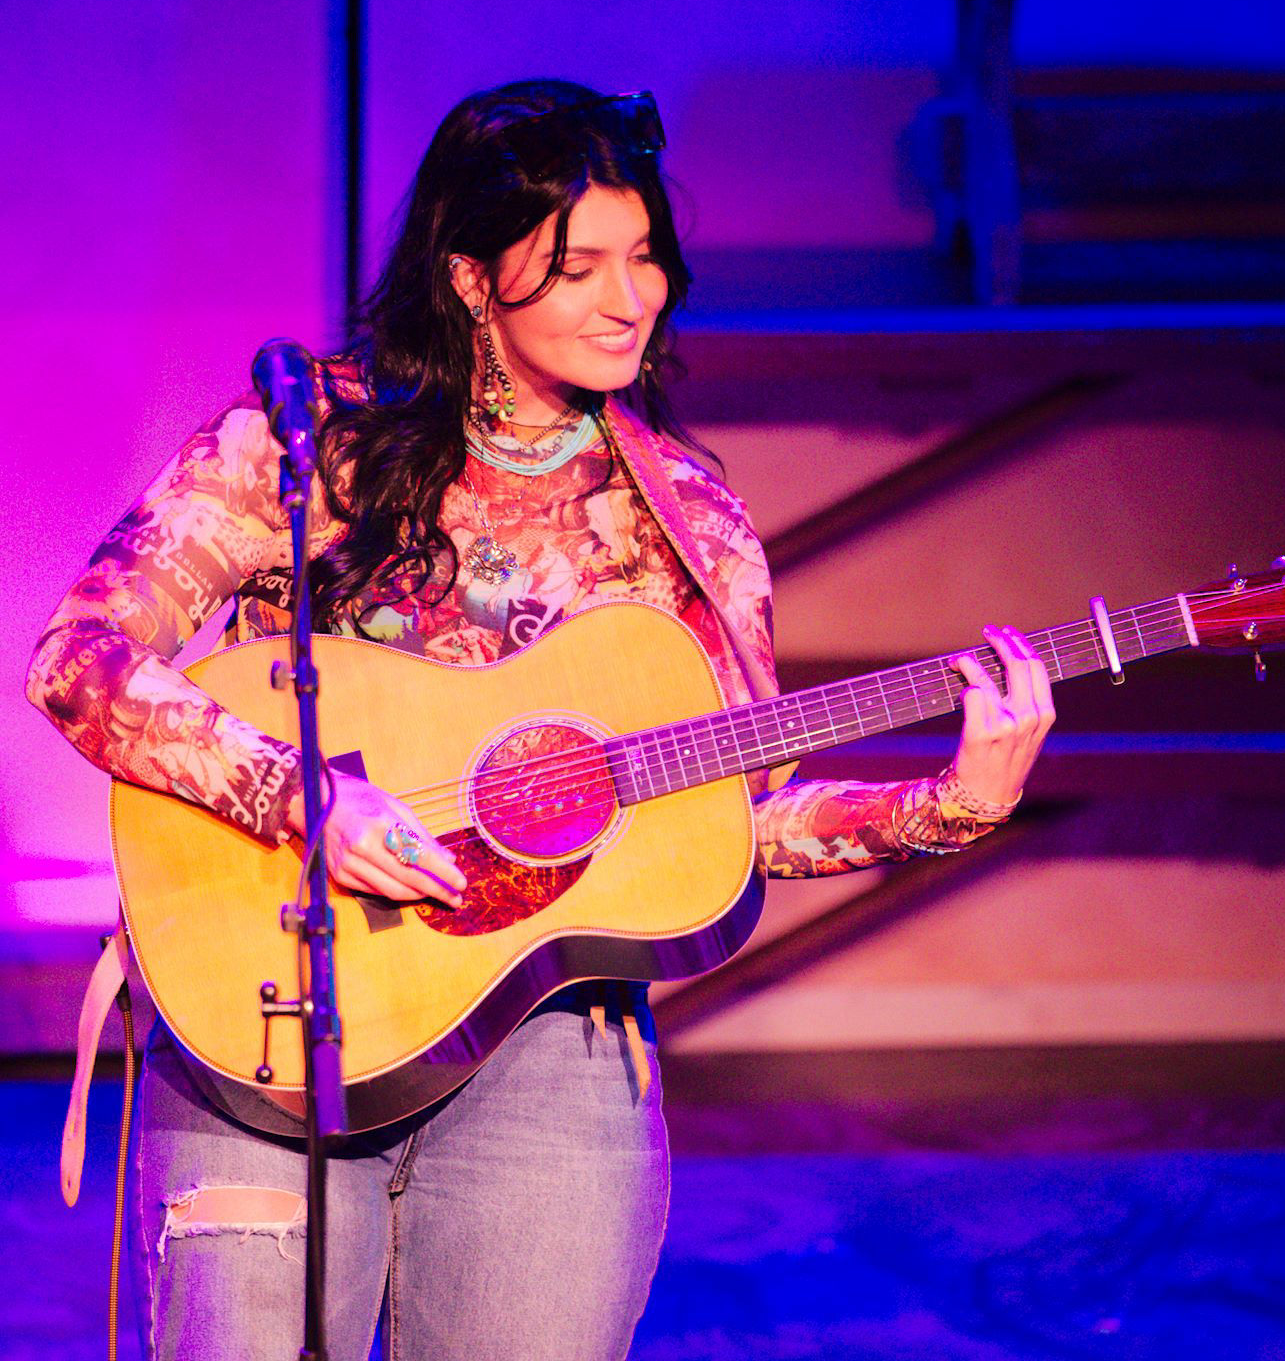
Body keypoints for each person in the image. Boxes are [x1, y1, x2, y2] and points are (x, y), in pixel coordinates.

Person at [26, 80, 1055, 1361]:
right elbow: (82, 659)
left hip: (553, 1052)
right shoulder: (302, 449)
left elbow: (740, 818)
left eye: (647, 262)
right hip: (274, 1009)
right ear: (470, 278)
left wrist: (954, 801)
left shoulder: (690, 516)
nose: (632, 299)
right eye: (579, 269)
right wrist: (304, 796)